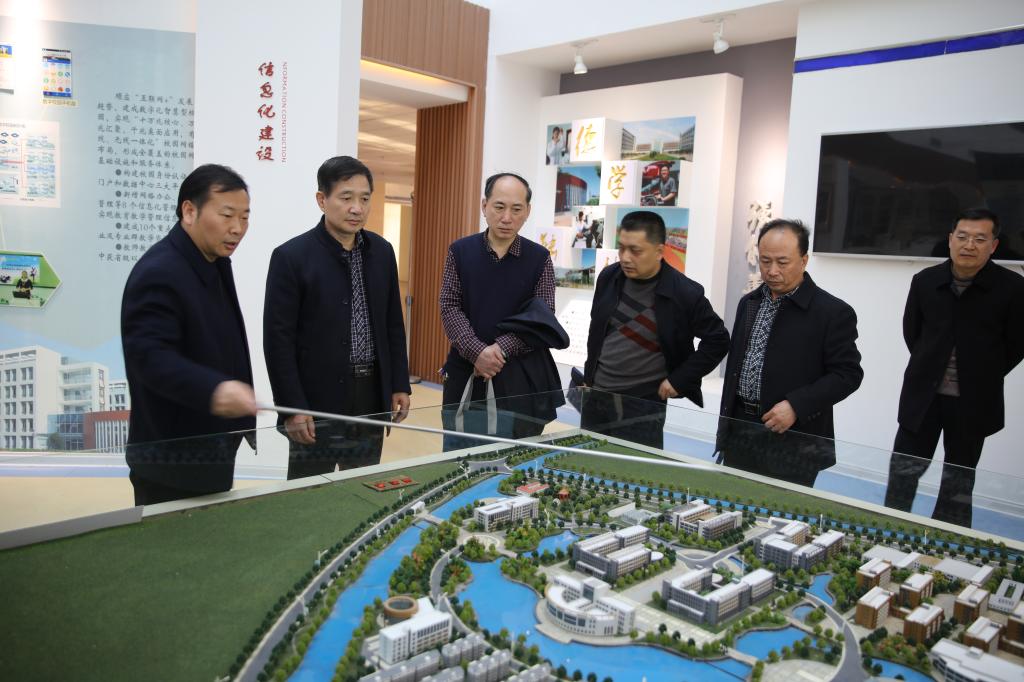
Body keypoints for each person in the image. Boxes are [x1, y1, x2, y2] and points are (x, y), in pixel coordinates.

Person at [264, 156, 410, 479]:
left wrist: (399, 382)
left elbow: (392, 325)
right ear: (322, 200)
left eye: (364, 199)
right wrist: (292, 407)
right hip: (315, 400)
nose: (357, 208)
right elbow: (278, 342)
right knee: (310, 492)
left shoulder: (382, 252)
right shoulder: (292, 257)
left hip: (371, 396)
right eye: (346, 198)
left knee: (362, 487)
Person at [121, 164, 257, 505]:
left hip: (209, 449)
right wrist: (215, 390)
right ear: (189, 211)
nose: (237, 228)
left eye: (244, 217)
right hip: (171, 460)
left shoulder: (211, 261)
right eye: (227, 215)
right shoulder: (160, 271)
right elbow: (150, 359)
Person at [885, 208, 1024, 527]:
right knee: (903, 471)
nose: (969, 245)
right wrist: (932, 366)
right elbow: (913, 333)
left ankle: (947, 543)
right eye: (962, 236)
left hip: (974, 401)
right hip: (923, 397)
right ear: (950, 240)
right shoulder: (925, 281)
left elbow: (1016, 344)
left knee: (958, 483)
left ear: (994, 245)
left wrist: (982, 373)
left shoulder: (1013, 289)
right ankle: (889, 530)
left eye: (979, 239)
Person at [716, 218, 863, 487]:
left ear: (804, 261)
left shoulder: (832, 312)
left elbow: (848, 375)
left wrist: (797, 405)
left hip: (794, 439)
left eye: (782, 262)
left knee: (782, 512)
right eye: (765, 261)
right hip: (740, 430)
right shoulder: (749, 303)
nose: (772, 271)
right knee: (735, 503)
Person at [581, 211, 729, 449]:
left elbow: (718, 340)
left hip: (642, 404)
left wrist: (679, 380)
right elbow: (596, 330)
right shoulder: (609, 277)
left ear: (659, 251)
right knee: (588, 463)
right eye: (622, 248)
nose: (625, 257)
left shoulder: (684, 293)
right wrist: (589, 377)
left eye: (635, 250)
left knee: (635, 467)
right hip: (597, 396)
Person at [439, 172, 563, 449]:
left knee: (515, 458)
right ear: (484, 206)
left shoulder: (539, 258)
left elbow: (542, 318)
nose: (507, 217)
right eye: (499, 207)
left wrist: (499, 351)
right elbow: (449, 306)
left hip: (521, 378)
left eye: (516, 209)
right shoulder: (460, 251)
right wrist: (477, 352)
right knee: (459, 455)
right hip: (466, 373)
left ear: (527, 211)